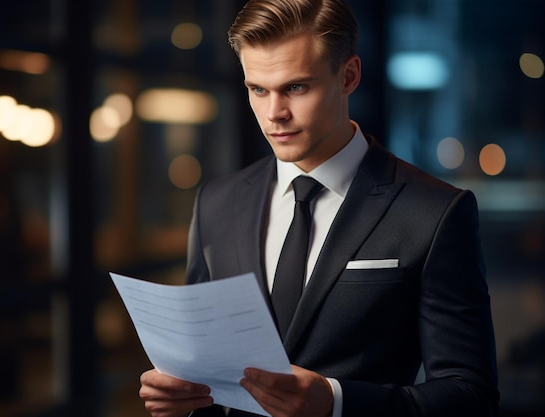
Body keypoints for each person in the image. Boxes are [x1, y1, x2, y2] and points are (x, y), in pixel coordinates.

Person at [139, 0, 499, 416]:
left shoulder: (434, 212)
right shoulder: (216, 203)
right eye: (258, 89)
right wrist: (181, 400)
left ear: (348, 76)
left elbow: (471, 397)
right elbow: (205, 369)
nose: (275, 114)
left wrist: (336, 402)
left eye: (296, 87)